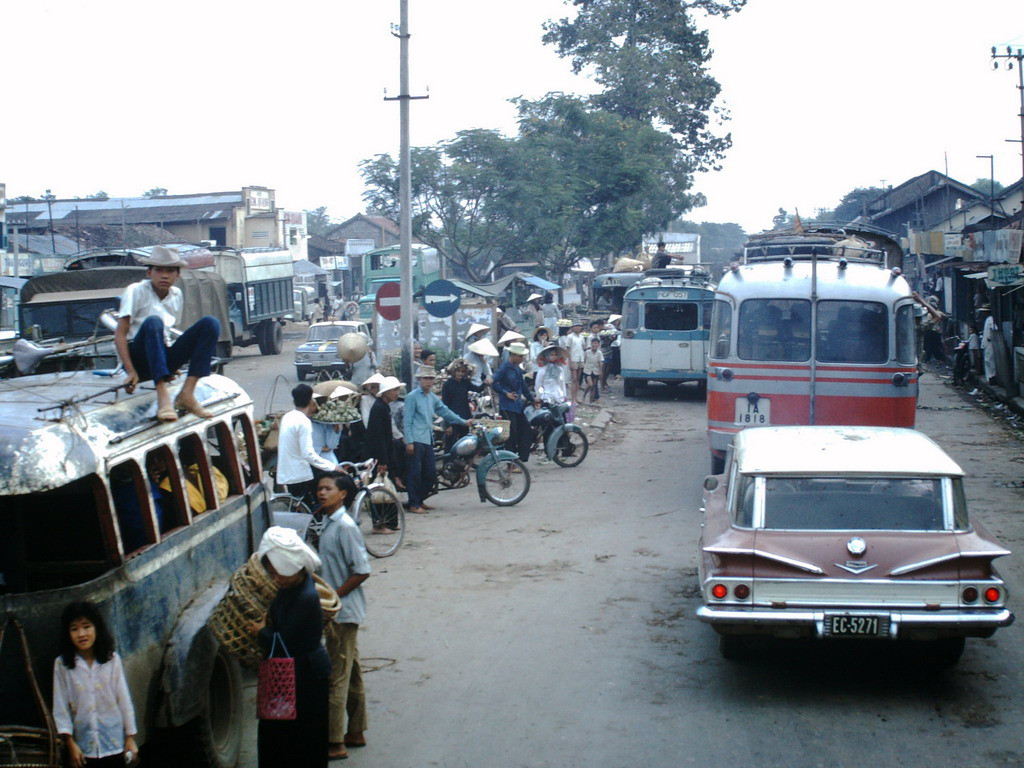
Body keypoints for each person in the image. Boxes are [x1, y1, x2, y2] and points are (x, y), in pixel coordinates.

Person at [250, 527, 329, 768]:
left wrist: (260, 631)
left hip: (305, 678)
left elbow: (284, 641)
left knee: (300, 739)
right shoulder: (292, 589)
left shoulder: (305, 597)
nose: (274, 578)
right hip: (296, 674)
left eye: (277, 573)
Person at [113, 245, 221, 422]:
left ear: (177, 275)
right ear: (149, 273)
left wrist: (172, 364)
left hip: (159, 355)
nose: (164, 275)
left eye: (170, 271)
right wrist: (131, 372)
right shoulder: (136, 291)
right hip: (138, 358)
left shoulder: (176, 294)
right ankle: (163, 398)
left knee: (211, 324)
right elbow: (120, 334)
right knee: (153, 322)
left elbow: (168, 334)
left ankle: (187, 394)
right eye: (158, 270)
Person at [315, 474, 371, 760]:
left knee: (336, 677)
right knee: (352, 673)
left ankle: (334, 741)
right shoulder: (328, 523)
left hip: (342, 613)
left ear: (343, 494)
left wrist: (334, 597)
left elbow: (361, 570)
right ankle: (356, 730)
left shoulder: (345, 527)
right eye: (320, 488)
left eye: (328, 489)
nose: (322, 493)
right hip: (341, 610)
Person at [53, 601, 138, 768]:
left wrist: (130, 738)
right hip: (84, 749)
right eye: (74, 629)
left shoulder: (111, 660)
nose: (81, 634)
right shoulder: (62, 665)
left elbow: (124, 700)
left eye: (86, 626)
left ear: (96, 628)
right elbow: (60, 708)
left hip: (114, 744)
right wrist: (71, 744)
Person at [403, 366, 473, 514]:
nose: (429, 381)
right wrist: (409, 441)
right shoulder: (412, 397)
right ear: (419, 379)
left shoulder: (431, 397)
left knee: (429, 473)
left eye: (431, 378)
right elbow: (407, 421)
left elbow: (445, 412)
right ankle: (414, 503)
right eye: (426, 378)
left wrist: (463, 421)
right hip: (416, 439)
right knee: (415, 473)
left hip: (427, 438)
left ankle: (418, 500)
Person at [277, 384, 345, 508]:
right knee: (322, 500)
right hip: (300, 473)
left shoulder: (288, 417)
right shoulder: (304, 422)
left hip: (287, 471)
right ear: (310, 401)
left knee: (301, 507)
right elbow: (308, 454)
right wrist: (332, 466)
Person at [363, 377, 401, 507]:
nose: (397, 393)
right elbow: (378, 436)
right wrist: (382, 460)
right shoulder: (379, 408)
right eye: (394, 390)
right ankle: (379, 524)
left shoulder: (384, 407)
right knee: (378, 489)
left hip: (384, 453)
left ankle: (387, 521)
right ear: (386, 392)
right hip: (378, 456)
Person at [492, 343, 532, 463]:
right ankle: (510, 462)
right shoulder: (505, 367)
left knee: (526, 431)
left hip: (518, 406)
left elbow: (523, 387)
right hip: (507, 406)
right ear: (513, 355)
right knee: (511, 435)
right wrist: (506, 393)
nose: (522, 358)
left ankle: (520, 459)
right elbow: (494, 383)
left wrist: (532, 399)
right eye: (520, 356)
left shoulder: (518, 370)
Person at [441, 358, 484, 451]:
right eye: (458, 371)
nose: (460, 374)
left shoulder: (465, 383)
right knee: (450, 444)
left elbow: (478, 389)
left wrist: (485, 381)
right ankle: (448, 463)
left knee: (464, 443)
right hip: (452, 418)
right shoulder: (447, 385)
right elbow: (444, 405)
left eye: (463, 371)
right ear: (453, 371)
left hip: (465, 417)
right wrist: (447, 424)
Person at [560, 320, 585, 404]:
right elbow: (568, 349)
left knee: (578, 379)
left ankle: (576, 397)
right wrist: (570, 361)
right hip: (573, 359)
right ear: (572, 327)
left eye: (579, 326)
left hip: (580, 359)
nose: (578, 327)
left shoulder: (581, 337)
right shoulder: (570, 337)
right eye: (576, 326)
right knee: (574, 379)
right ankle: (573, 398)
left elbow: (583, 348)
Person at [581, 335, 604, 403]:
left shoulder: (599, 353)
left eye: (596, 343)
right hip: (587, 370)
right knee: (590, 384)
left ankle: (591, 400)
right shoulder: (587, 352)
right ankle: (584, 395)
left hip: (596, 371)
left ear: (598, 344)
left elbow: (600, 362)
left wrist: (601, 371)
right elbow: (584, 360)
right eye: (593, 343)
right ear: (591, 344)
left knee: (594, 386)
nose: (594, 345)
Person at [981, 306, 998, 383]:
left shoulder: (990, 319)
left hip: (989, 343)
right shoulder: (988, 319)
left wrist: (989, 337)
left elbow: (995, 328)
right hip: (987, 343)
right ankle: (989, 377)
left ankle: (992, 377)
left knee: (990, 360)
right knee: (987, 360)